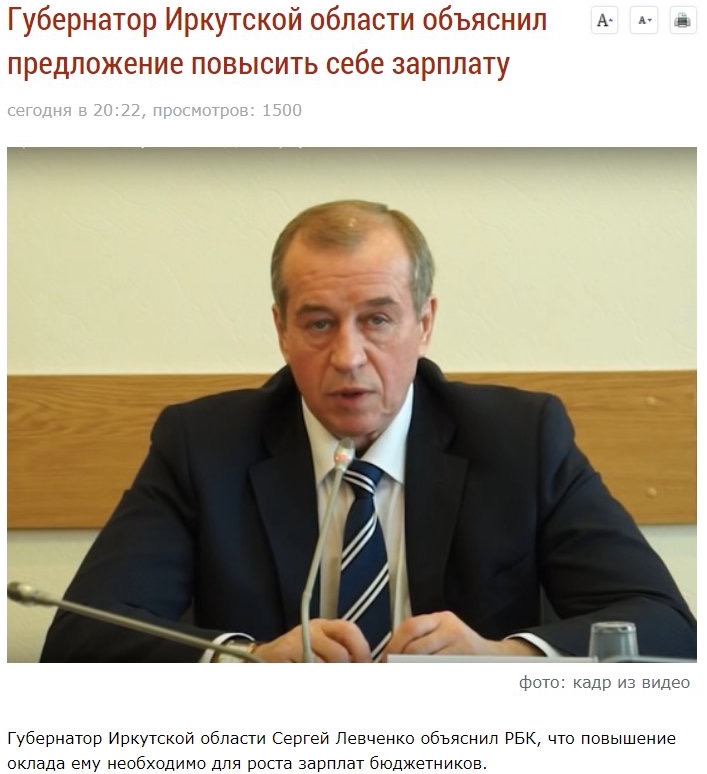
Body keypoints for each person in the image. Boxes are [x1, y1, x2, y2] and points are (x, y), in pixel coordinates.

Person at [40, 200, 697, 662]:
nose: (348, 356)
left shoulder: (522, 439)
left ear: (424, 323)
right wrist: (247, 660)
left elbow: (665, 624)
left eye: (378, 320)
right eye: (318, 323)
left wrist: (501, 657)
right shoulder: (202, 445)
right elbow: (80, 639)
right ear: (281, 329)